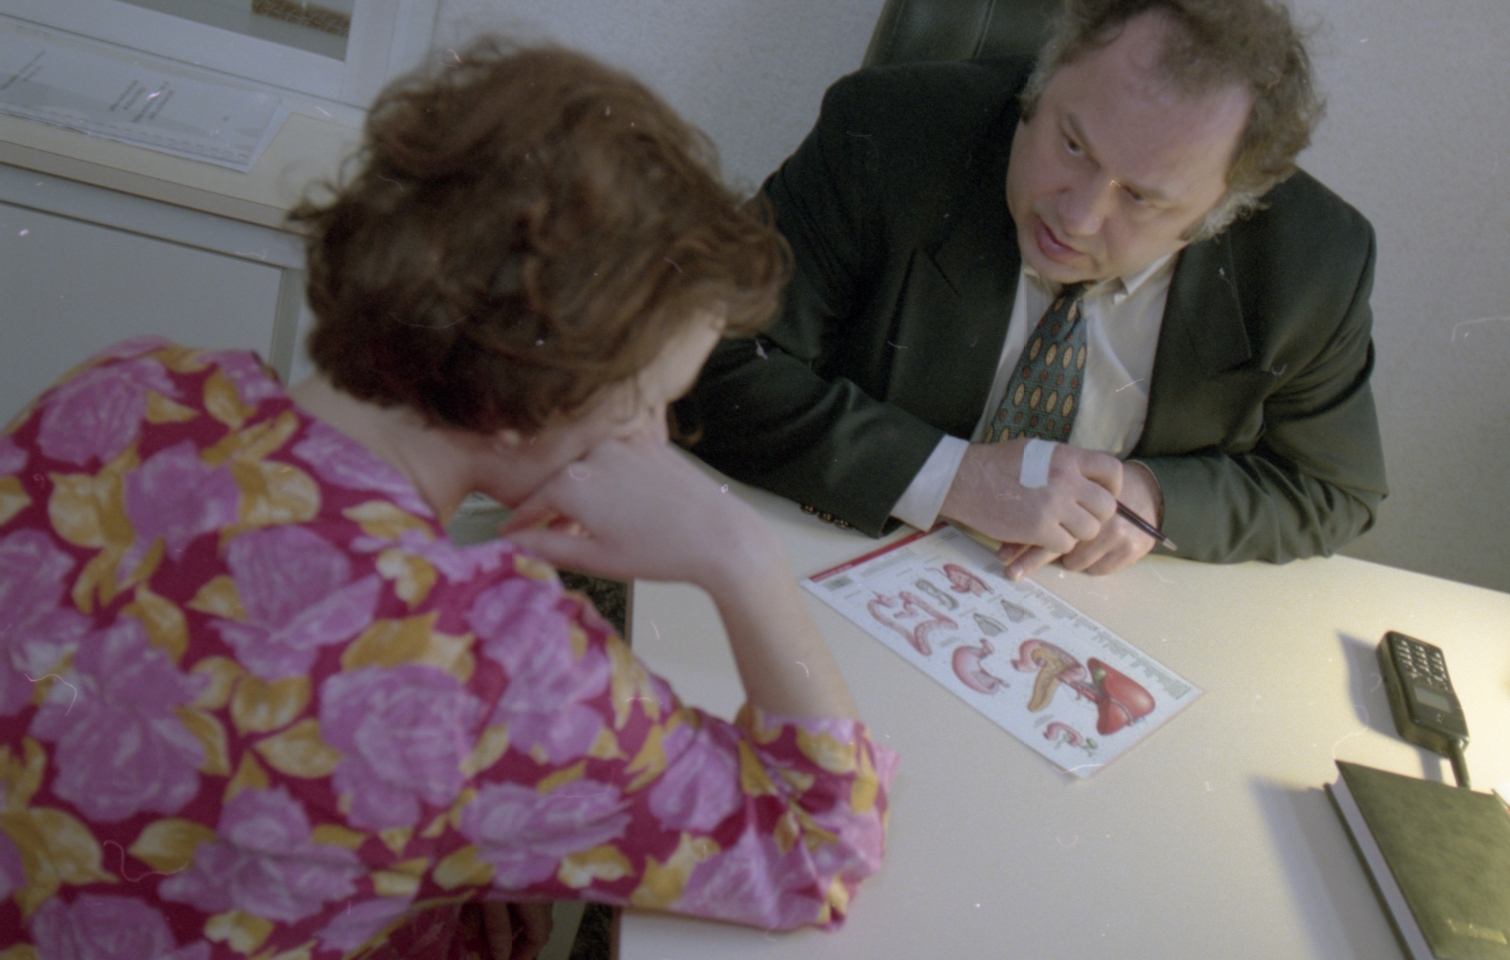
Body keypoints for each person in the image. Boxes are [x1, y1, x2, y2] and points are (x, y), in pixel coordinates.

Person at [0, 42, 894, 960]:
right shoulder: (494, 662)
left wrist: (470, 843)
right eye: (648, 404)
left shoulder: (131, 386)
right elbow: (819, 847)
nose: (658, 442)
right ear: (533, 395)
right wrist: (743, 557)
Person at [679, 0, 1388, 581]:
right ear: (1041, 84)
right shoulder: (889, 133)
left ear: (1219, 213)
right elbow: (709, 358)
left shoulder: (1313, 263)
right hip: (824, 564)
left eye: (1140, 197)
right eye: (1072, 145)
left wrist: (1151, 499)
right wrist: (952, 477)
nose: (1076, 216)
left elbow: (1333, 488)